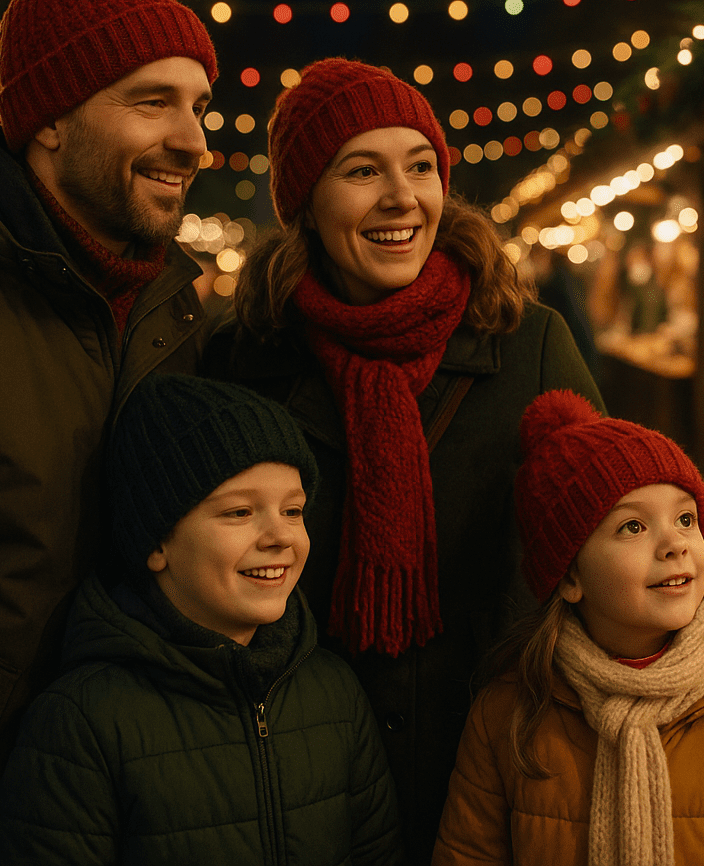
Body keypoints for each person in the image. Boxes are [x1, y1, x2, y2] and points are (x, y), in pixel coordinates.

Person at [205, 57, 604, 860]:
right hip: (301, 778)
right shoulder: (242, 364)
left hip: (502, 763)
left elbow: (607, 544)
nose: (402, 197)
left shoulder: (528, 347)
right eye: (362, 170)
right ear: (306, 204)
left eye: (421, 166)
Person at [0, 0, 218, 864]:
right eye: (151, 102)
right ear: (48, 116)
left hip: (116, 810)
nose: (196, 142)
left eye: (199, 106)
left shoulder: (172, 310)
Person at [433, 390, 704, 866]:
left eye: (685, 518)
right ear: (570, 575)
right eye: (632, 527)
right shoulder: (508, 717)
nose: (674, 544)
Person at [0, 374, 402, 865]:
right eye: (240, 512)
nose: (280, 536)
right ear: (156, 542)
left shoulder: (335, 693)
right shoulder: (83, 720)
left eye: (293, 510)